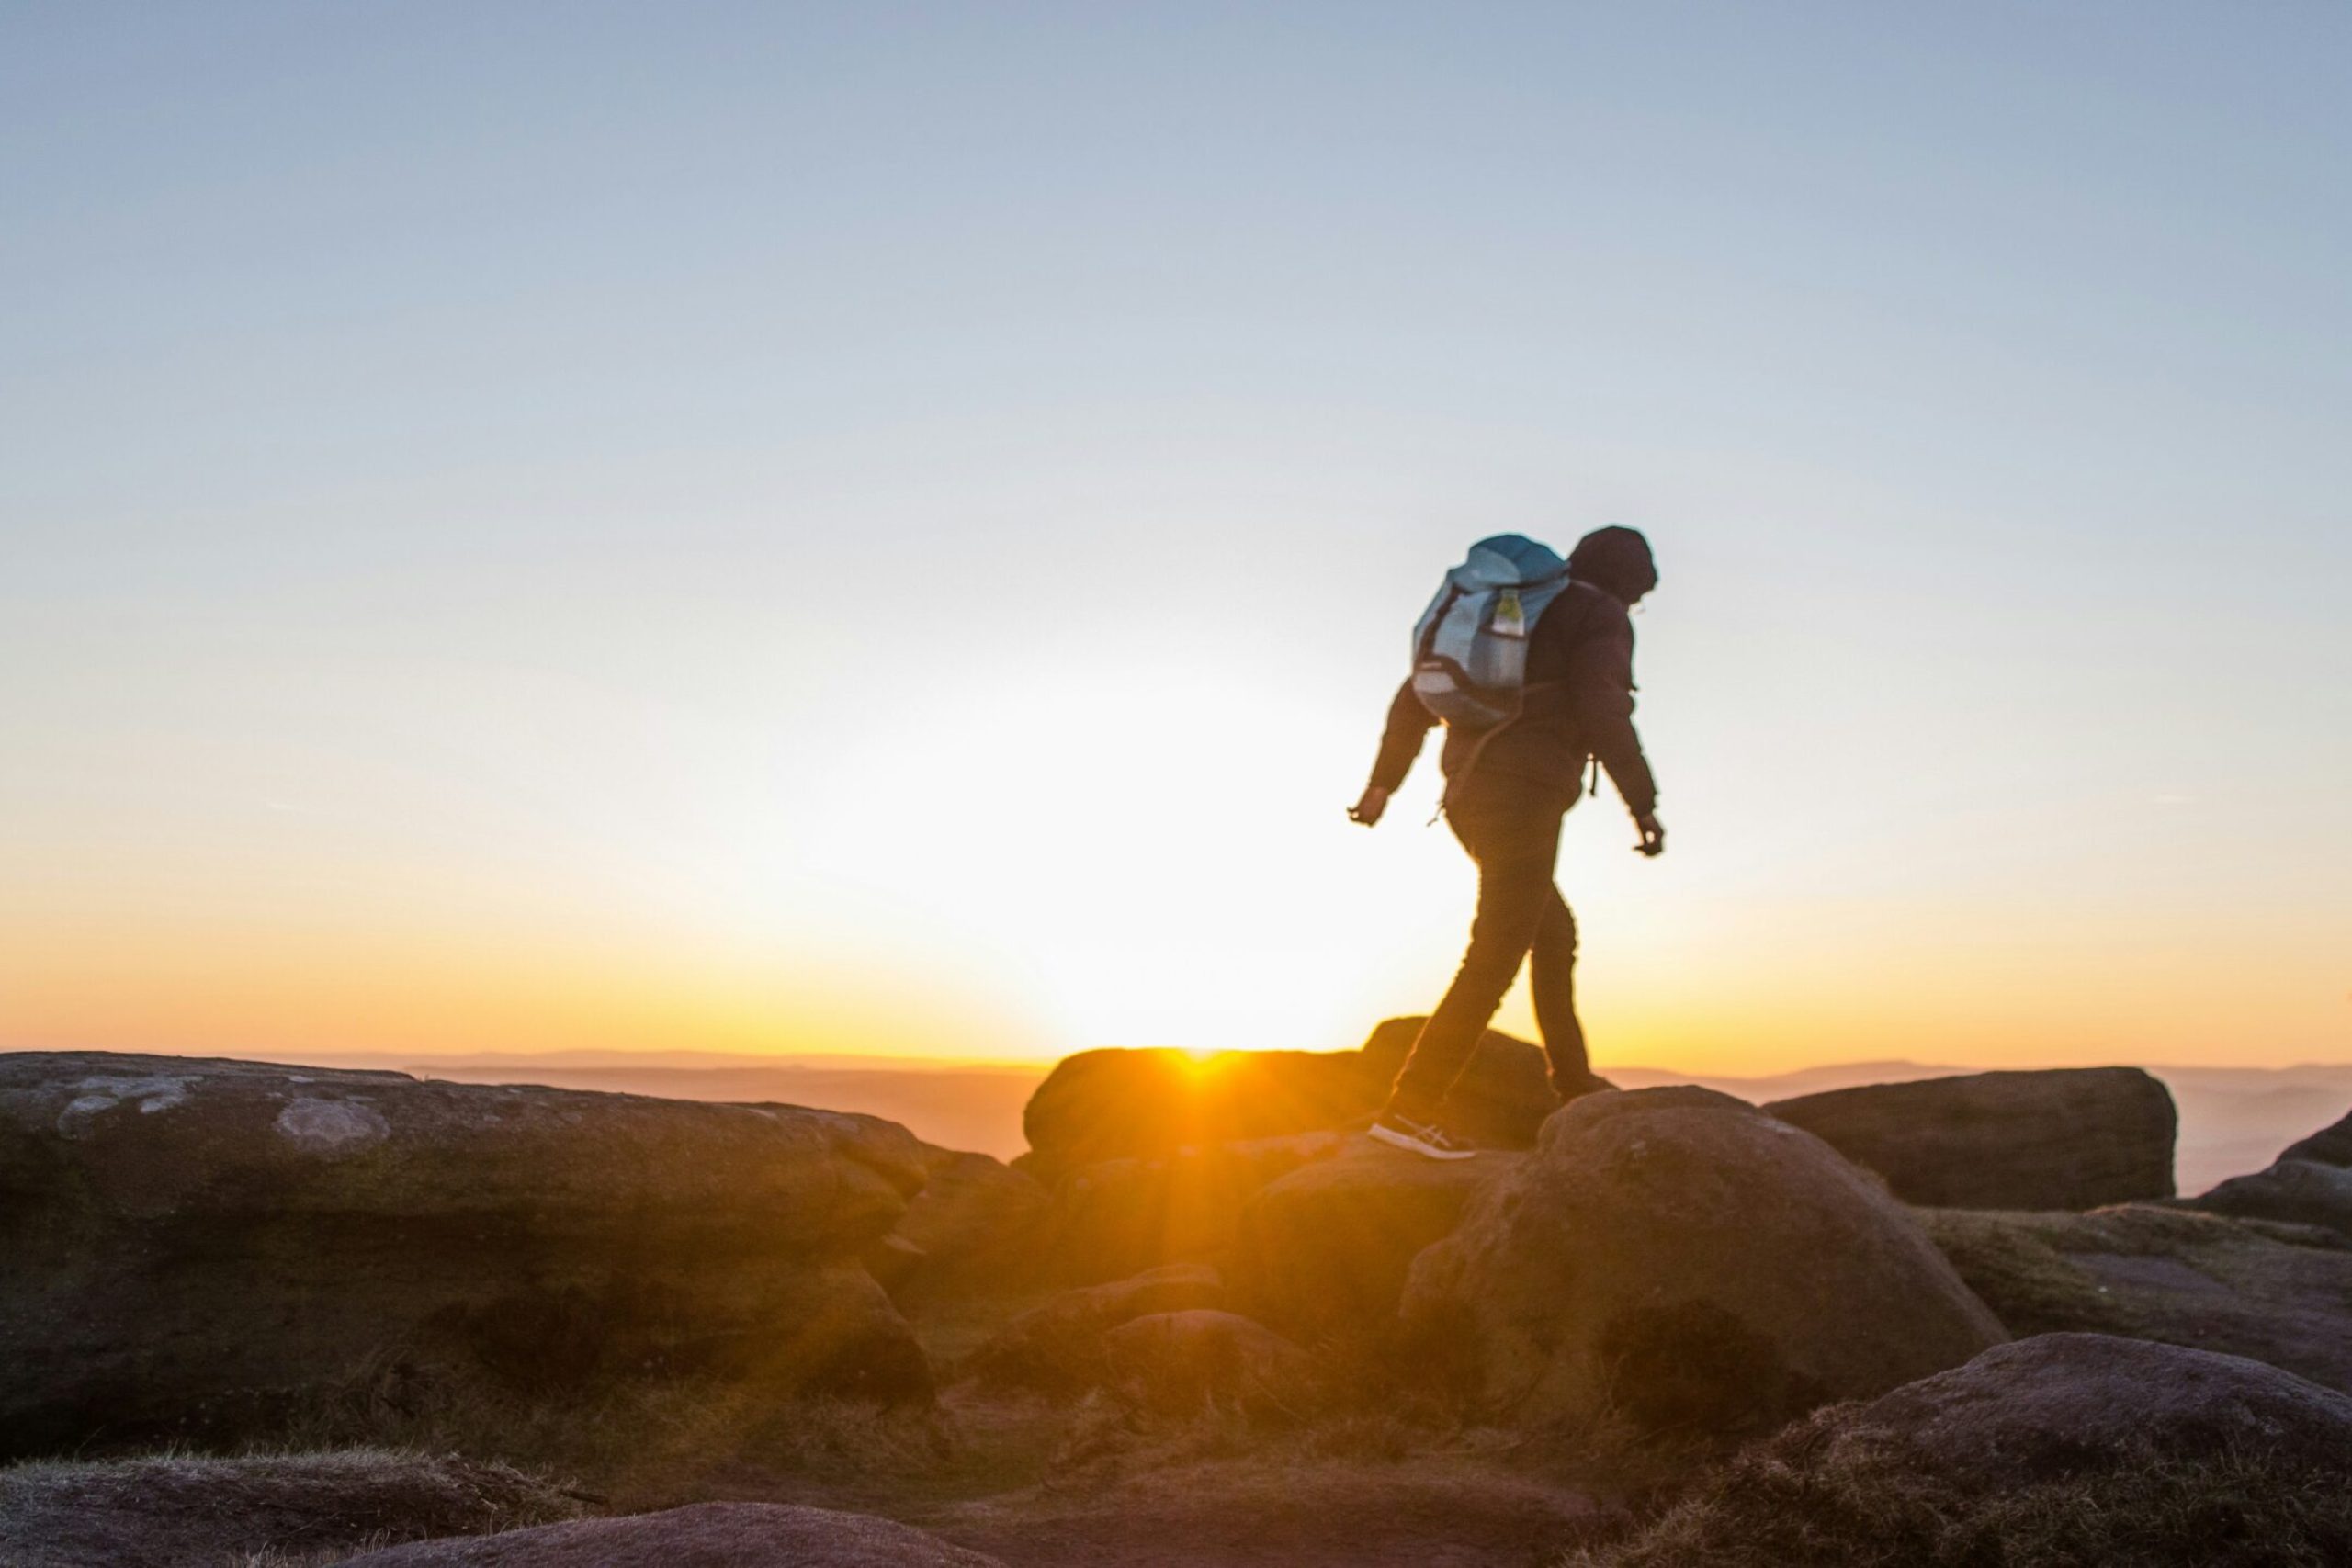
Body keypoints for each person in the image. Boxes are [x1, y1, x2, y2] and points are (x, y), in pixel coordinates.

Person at [1349, 525, 1664, 1160]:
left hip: (1468, 794)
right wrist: (1643, 802)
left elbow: (1413, 695)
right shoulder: (1598, 613)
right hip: (1523, 796)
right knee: (1494, 952)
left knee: (1551, 933)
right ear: (1629, 584)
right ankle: (1410, 1108)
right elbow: (1604, 706)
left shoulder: (1516, 610)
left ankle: (1572, 1088)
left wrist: (1383, 785)